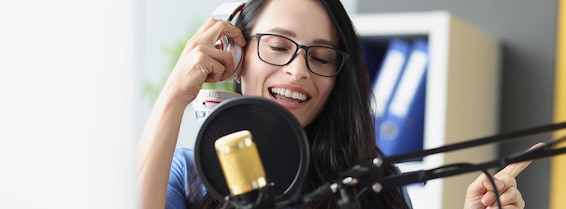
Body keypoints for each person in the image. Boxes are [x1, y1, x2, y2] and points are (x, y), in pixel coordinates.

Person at [138, 0, 537, 208]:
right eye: (278, 46)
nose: (298, 71)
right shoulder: (187, 174)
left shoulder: (374, 188)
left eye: (322, 57)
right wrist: (175, 92)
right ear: (237, 56)